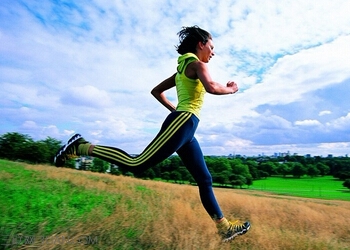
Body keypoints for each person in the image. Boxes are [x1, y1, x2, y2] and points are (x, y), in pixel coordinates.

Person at [54, 25, 250, 242]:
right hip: (184, 123)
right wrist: (231, 89)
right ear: (200, 44)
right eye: (211, 47)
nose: (213, 52)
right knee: (136, 164)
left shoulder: (180, 71)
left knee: (204, 179)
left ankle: (224, 228)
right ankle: (80, 146)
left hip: (185, 126)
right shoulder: (197, 64)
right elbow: (212, 87)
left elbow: (156, 91)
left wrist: (175, 110)